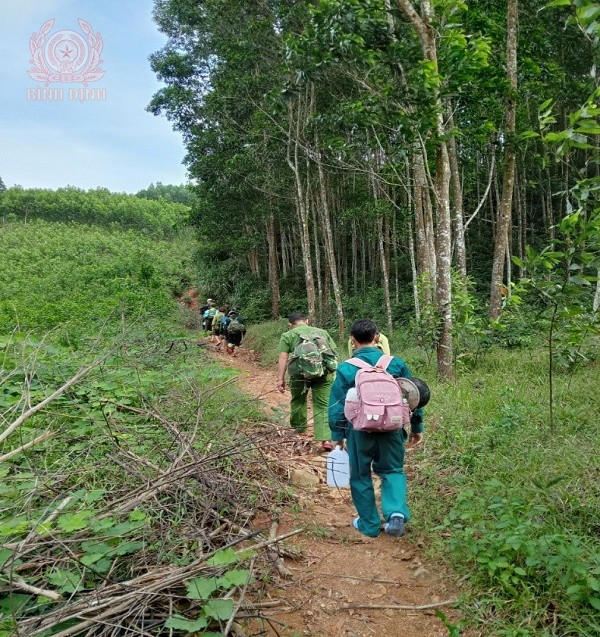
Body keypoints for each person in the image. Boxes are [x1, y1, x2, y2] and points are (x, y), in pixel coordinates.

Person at [328, 319, 424, 538]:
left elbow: (337, 405)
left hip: (358, 430)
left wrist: (337, 435)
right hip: (392, 428)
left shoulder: (345, 368)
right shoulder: (396, 364)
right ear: (377, 337)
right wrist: (417, 427)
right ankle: (396, 514)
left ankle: (369, 524)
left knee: (360, 475)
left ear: (352, 340)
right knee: (392, 470)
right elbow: (413, 396)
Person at [277, 312, 338, 451]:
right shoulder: (322, 332)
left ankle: (300, 433)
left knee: (299, 400)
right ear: (307, 321)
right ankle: (326, 439)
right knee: (323, 404)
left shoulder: (288, 335)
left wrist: (280, 379)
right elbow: (332, 352)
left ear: (290, 324)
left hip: (299, 374)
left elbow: (283, 356)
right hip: (323, 373)